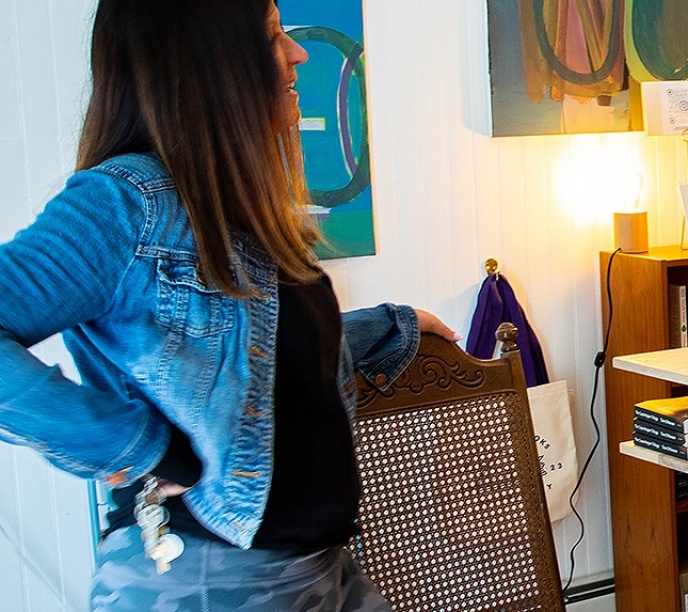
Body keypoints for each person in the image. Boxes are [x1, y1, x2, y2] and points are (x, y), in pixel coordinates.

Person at [0, 1, 457, 609]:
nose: (298, 53)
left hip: (318, 568)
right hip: (212, 581)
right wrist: (139, 448)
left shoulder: (231, 200)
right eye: (273, 37)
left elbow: (248, 356)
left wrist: (389, 327)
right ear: (209, 65)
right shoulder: (128, 203)